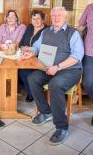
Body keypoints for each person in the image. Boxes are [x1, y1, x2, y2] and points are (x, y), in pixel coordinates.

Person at [21, 7, 84, 145]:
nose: (56, 17)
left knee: (55, 84)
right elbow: (36, 47)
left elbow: (77, 56)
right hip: (49, 68)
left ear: (65, 16)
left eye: (59, 15)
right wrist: (30, 53)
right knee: (32, 78)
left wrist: (58, 67)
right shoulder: (46, 32)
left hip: (69, 70)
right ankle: (46, 112)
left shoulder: (73, 33)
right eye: (54, 15)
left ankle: (62, 127)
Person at [19, 10, 48, 102]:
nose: (35, 21)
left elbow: (45, 48)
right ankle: (31, 92)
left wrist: (30, 49)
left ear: (43, 20)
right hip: (27, 56)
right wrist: (24, 48)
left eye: (38, 18)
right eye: (33, 18)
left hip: (40, 59)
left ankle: (34, 93)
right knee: (22, 70)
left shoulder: (47, 30)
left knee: (27, 72)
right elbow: (22, 43)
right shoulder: (30, 27)